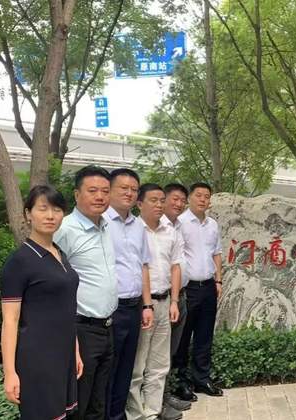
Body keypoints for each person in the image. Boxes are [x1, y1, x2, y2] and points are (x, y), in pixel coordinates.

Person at [1, 185, 82, 419]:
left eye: (57, 210)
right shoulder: (20, 261)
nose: (50, 216)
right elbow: (10, 320)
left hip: (63, 354)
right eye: (43, 208)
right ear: (28, 213)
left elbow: (66, 308)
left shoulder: (59, 253)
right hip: (37, 357)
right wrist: (10, 373)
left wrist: (75, 350)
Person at [54, 165, 117, 420]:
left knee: (97, 402)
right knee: (78, 402)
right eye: (92, 191)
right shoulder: (65, 230)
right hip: (81, 330)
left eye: (105, 191)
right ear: (77, 194)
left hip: (107, 327)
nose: (100, 196)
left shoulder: (106, 226)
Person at [127, 184, 183, 420]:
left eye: (162, 200)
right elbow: (138, 269)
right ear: (139, 203)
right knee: (137, 365)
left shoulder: (170, 231)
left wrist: (174, 301)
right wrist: (146, 304)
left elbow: (176, 266)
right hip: (143, 306)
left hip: (165, 301)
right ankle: (135, 413)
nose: (159, 205)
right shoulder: (132, 230)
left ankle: (152, 411)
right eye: (153, 200)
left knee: (159, 363)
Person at [105, 168, 153, 420]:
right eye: (123, 188)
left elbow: (143, 265)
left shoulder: (138, 226)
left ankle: (118, 414)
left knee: (126, 367)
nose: (129, 193)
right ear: (110, 189)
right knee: (108, 369)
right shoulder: (100, 222)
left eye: (134, 189)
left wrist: (147, 305)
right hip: (109, 309)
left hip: (134, 308)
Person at [174, 182, 224, 400]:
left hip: (209, 287)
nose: (203, 199)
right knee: (183, 337)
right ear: (190, 198)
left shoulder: (212, 224)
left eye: (207, 196)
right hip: (188, 288)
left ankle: (202, 378)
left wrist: (218, 280)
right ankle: (181, 381)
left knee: (205, 335)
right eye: (199, 195)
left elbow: (217, 253)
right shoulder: (180, 223)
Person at [162, 184, 193, 413]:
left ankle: (165, 395)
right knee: (157, 356)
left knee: (170, 352)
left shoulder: (178, 226)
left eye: (183, 200)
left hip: (179, 296)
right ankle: (155, 404)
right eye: (175, 199)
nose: (179, 204)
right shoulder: (155, 226)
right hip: (162, 299)